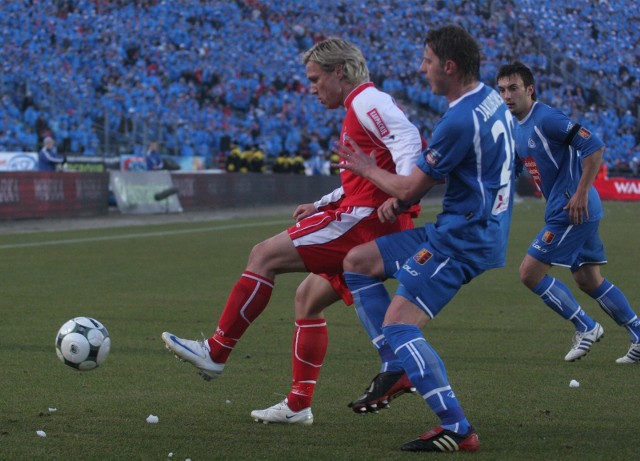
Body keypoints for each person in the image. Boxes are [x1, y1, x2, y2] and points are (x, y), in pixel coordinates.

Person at [162, 37, 425, 425]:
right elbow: (364, 177)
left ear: (340, 72)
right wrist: (322, 203)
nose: (312, 88)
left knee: (263, 255)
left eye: (316, 79)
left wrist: (403, 195)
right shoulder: (360, 106)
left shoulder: (369, 101)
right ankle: (299, 404)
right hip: (367, 216)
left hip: (365, 222)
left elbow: (409, 142)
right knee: (307, 299)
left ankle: (216, 351)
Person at [335, 25, 515, 452]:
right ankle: (397, 366)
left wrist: (367, 169)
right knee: (357, 262)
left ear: (448, 67)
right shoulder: (489, 98)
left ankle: (458, 428)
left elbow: (409, 188)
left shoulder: (457, 119)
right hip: (473, 226)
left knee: (398, 324)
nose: (422, 68)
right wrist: (400, 200)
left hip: (463, 238)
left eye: (427, 60)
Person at [496, 61, 640, 364]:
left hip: (572, 210)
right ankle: (638, 333)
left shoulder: (547, 118)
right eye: (502, 90)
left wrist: (581, 192)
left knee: (529, 272)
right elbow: (522, 162)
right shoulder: (517, 125)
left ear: (530, 89)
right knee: (589, 280)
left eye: (513, 88)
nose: (507, 95)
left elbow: (594, 147)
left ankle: (585, 326)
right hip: (567, 209)